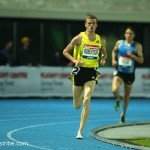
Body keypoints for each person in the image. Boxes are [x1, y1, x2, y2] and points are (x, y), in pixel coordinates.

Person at [63, 15, 107, 139]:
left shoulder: (100, 40)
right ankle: (79, 97)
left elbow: (104, 54)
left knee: (87, 100)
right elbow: (65, 51)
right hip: (78, 72)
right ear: (85, 25)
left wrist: (103, 59)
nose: (92, 25)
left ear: (96, 25)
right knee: (77, 105)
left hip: (91, 72)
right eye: (89, 23)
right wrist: (75, 61)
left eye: (94, 23)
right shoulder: (79, 38)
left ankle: (80, 131)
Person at [111, 27, 144, 123]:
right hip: (119, 72)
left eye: (130, 33)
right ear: (124, 34)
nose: (128, 35)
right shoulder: (119, 43)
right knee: (114, 90)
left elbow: (141, 60)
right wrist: (113, 60)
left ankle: (123, 114)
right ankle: (117, 98)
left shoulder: (137, 46)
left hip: (130, 74)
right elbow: (114, 51)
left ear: (134, 35)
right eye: (127, 33)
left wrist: (133, 56)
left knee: (126, 96)